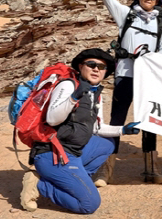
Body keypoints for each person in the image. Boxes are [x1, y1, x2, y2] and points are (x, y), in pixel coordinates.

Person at [20, 48, 141, 214]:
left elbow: (97, 128)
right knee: (89, 205)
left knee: (107, 144)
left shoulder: (94, 92)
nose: (96, 69)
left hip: (73, 151)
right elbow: (52, 119)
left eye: (102, 67)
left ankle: (74, 179)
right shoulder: (68, 85)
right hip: (53, 154)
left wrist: (123, 130)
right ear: (80, 66)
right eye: (91, 64)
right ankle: (40, 185)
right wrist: (73, 97)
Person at [95, 0, 162, 186]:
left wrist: (155, 61)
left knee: (149, 120)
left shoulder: (160, 22)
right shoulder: (126, 15)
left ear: (158, 0)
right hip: (125, 74)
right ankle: (105, 170)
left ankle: (151, 169)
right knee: (117, 118)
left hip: (148, 78)